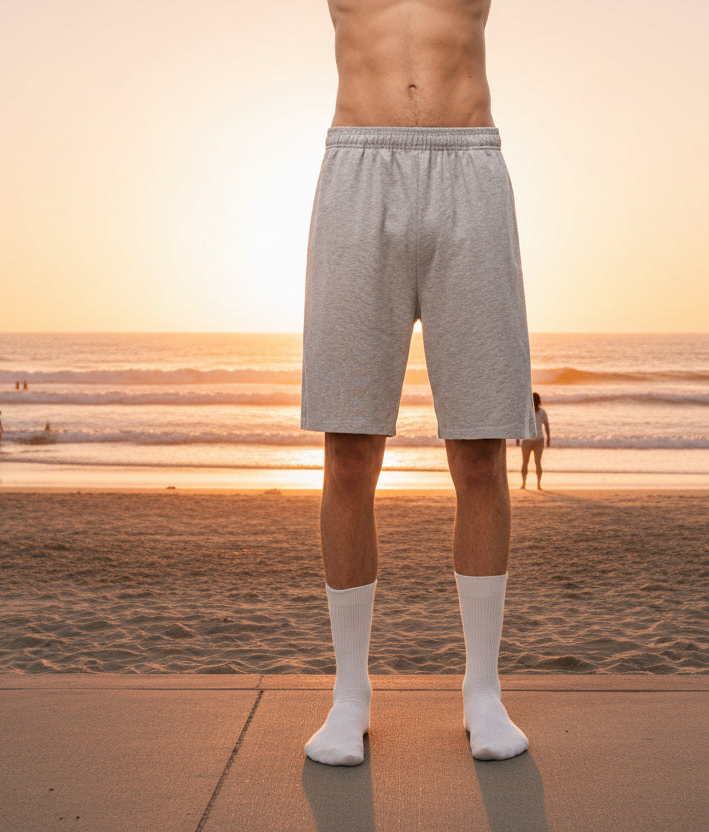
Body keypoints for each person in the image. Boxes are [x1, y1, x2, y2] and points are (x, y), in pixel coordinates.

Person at [300, 0, 534, 766]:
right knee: (349, 451)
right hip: (358, 168)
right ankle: (349, 696)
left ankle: (483, 692)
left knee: (479, 452)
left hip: (469, 168)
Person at [517, 392, 551, 490]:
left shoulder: (542, 412)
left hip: (538, 441)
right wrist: (518, 438)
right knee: (525, 462)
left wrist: (548, 438)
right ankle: (523, 484)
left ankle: (538, 485)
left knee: (537, 462)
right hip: (527, 441)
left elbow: (546, 425)